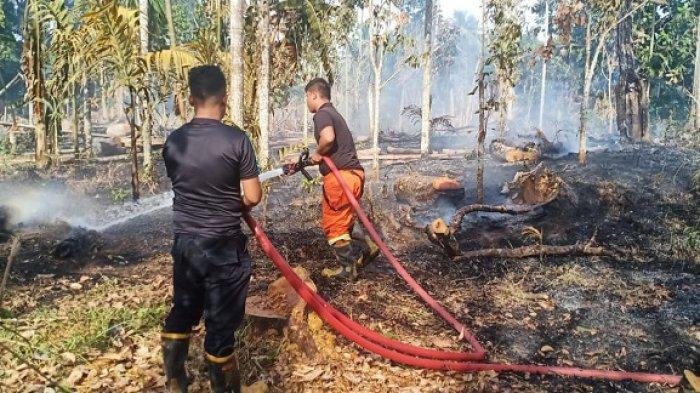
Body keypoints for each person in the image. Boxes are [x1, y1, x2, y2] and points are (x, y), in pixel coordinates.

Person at [161, 65, 262, 393]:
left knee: (184, 309)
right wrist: (236, 202)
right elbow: (252, 195)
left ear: (191, 98)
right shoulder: (237, 140)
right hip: (224, 249)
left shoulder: (174, 142)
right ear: (225, 99)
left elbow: (185, 184)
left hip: (186, 246)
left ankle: (175, 380)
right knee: (220, 327)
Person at [303, 78, 378, 279]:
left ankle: (347, 269)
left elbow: (327, 138)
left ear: (313, 95)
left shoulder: (322, 114)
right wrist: (311, 159)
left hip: (340, 178)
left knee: (334, 225)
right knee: (345, 219)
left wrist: (318, 154)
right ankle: (367, 247)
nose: (307, 103)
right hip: (354, 175)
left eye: (307, 98)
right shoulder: (334, 113)